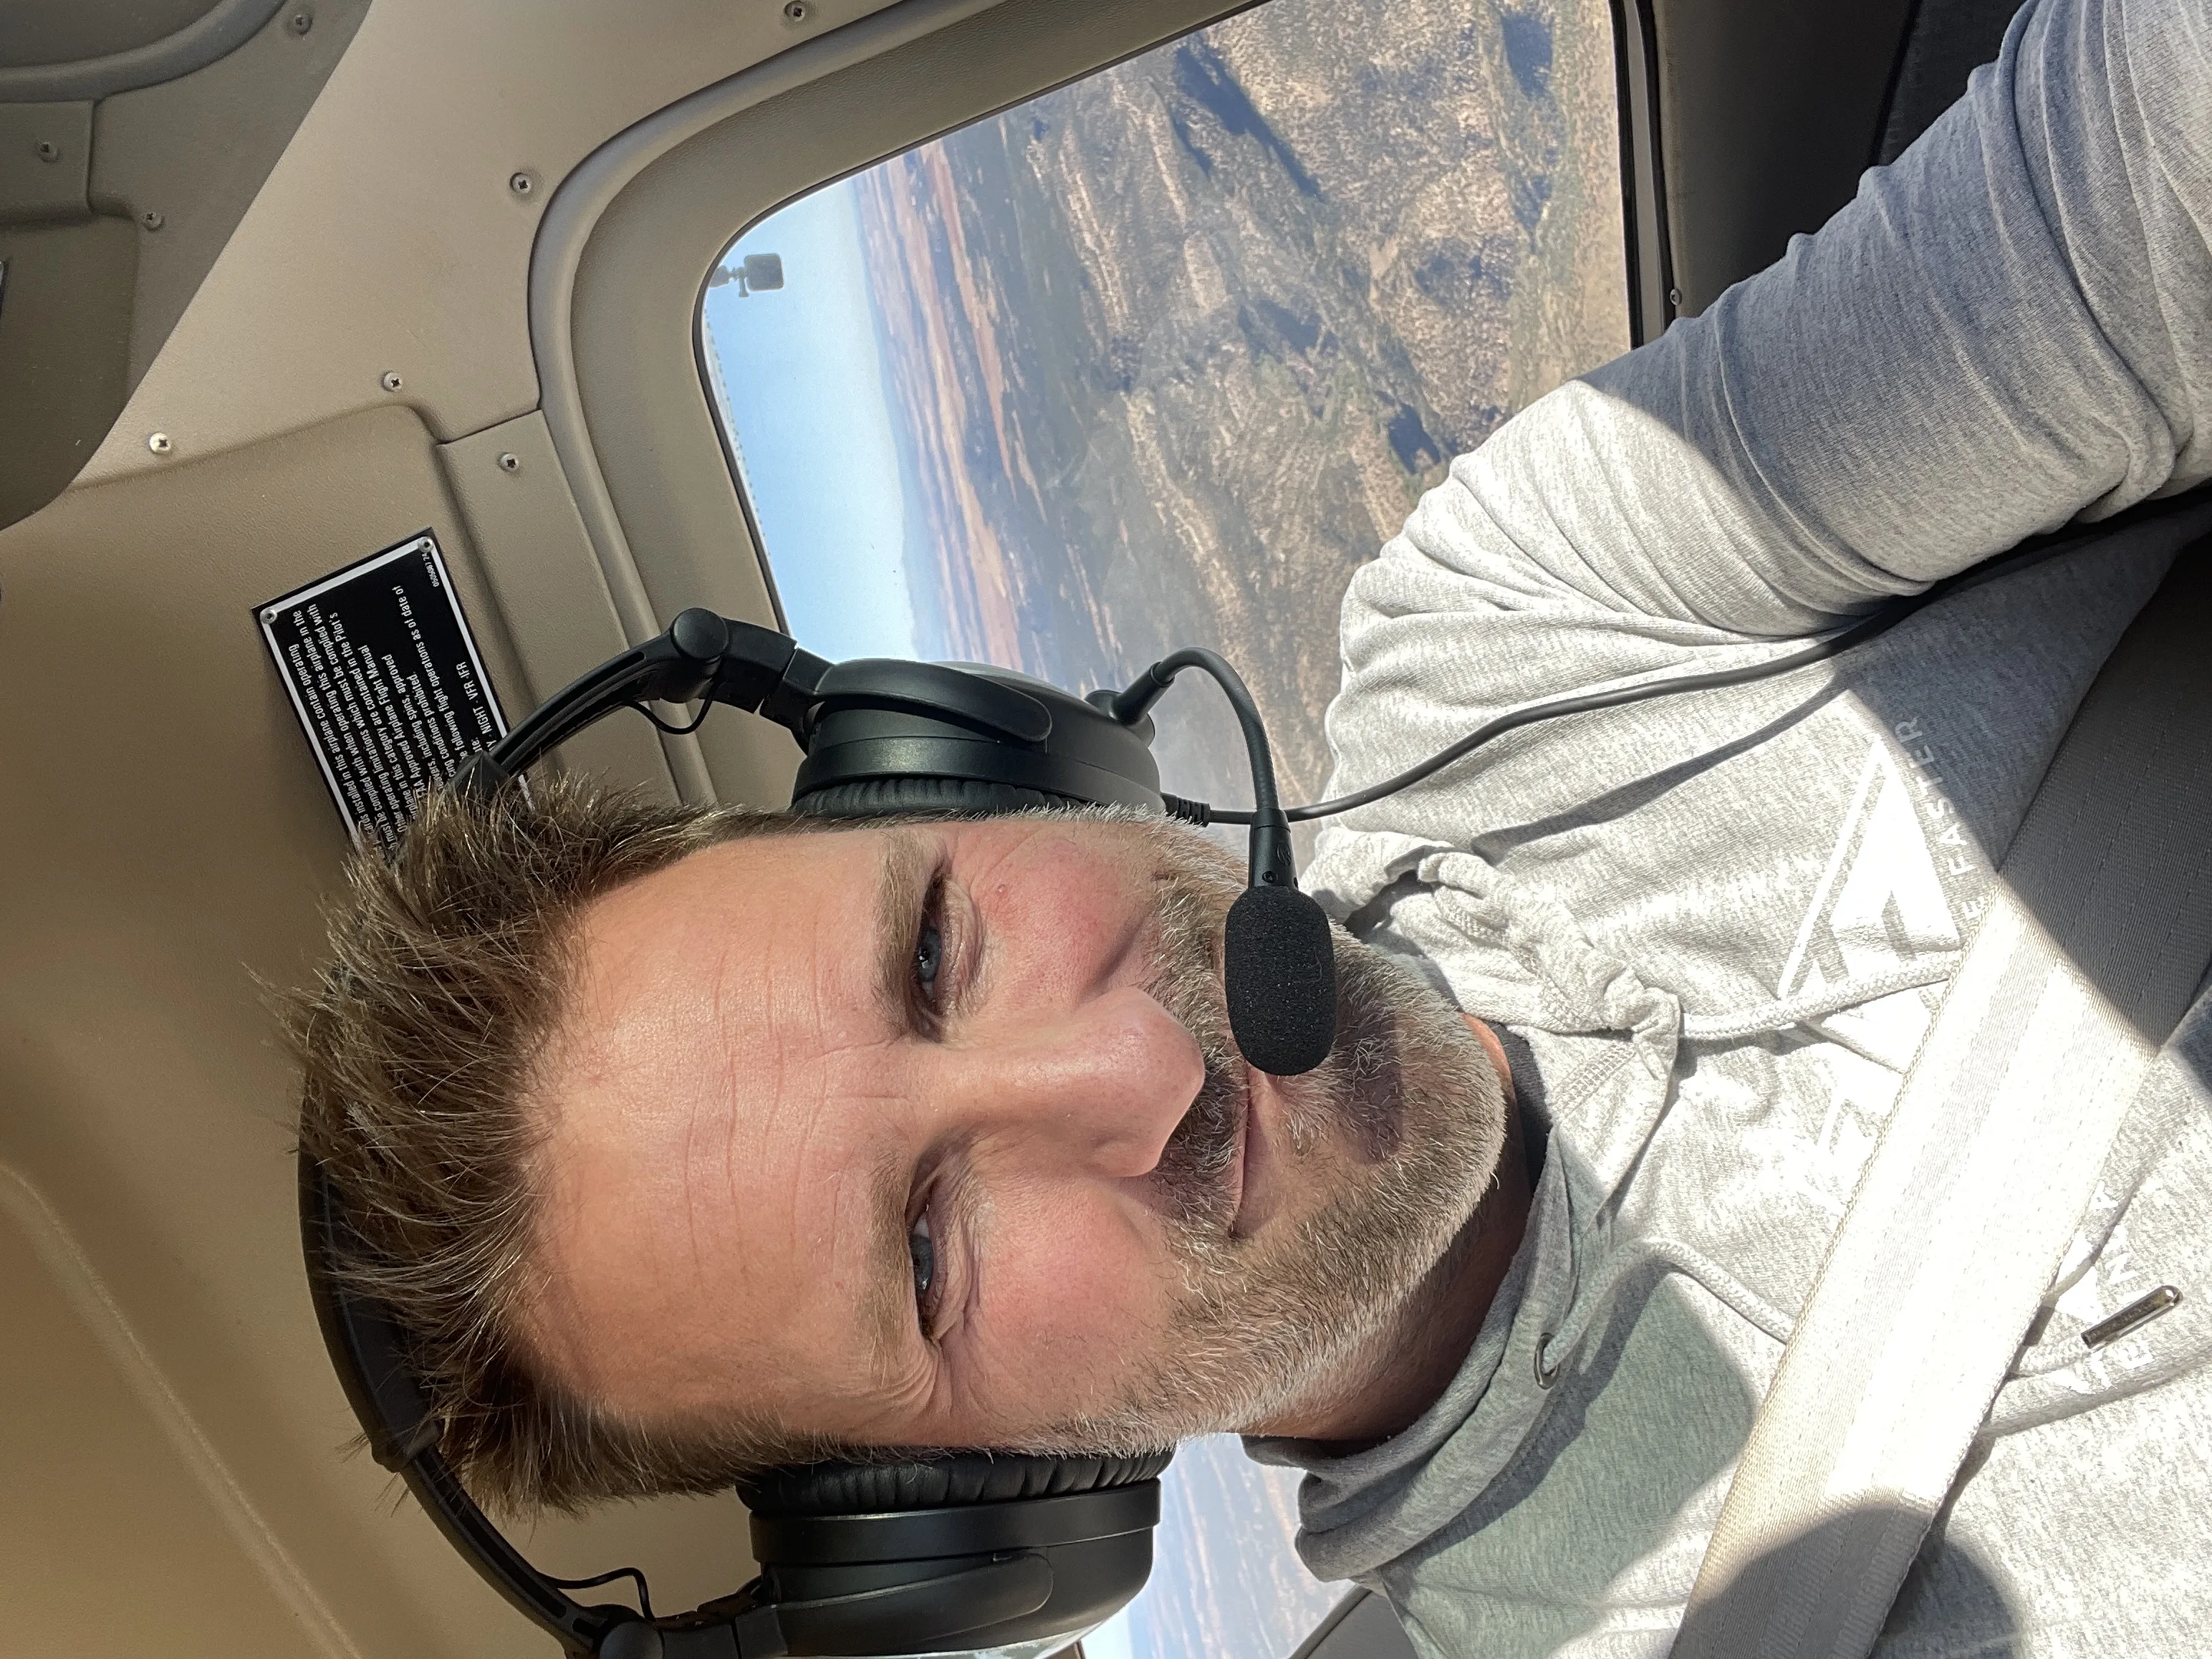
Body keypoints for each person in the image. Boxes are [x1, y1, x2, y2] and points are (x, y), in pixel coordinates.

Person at [290, 0, 2212, 1649]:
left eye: (939, 948)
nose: (1130, 1062)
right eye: (932, 1246)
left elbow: (2130, 201)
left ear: (974, 775)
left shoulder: (1512, 642)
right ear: (969, 1504)